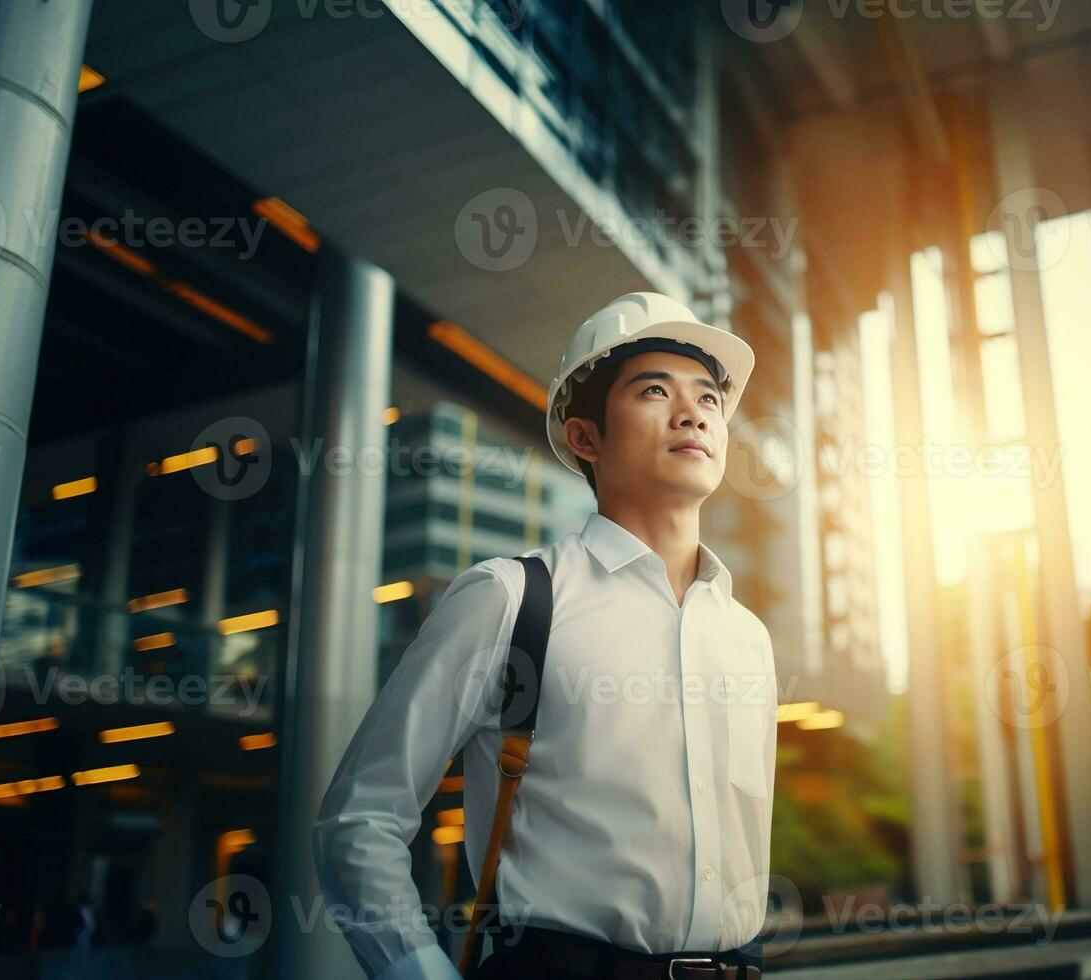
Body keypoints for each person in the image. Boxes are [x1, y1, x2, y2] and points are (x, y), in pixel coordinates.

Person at [314, 293, 776, 980]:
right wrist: (417, 971)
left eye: (708, 398)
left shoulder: (747, 637)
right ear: (586, 437)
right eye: (654, 391)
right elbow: (360, 820)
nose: (693, 413)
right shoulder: (511, 599)